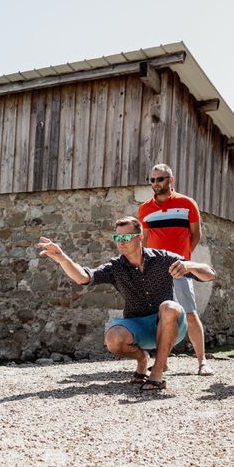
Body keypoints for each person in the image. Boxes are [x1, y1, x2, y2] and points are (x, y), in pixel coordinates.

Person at [37, 216, 216, 391]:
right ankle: (142, 359)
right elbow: (84, 277)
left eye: (125, 237)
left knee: (169, 307)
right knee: (112, 339)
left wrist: (190, 266)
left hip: (170, 325)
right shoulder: (115, 268)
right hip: (139, 328)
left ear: (139, 237)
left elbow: (210, 274)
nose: (120, 242)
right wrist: (63, 259)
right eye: (117, 238)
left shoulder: (163, 259)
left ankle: (157, 375)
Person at [138, 164, 214, 376]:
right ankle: (162, 362)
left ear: (170, 180)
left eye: (160, 179)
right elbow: (145, 240)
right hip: (155, 270)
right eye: (152, 180)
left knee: (190, 313)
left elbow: (195, 235)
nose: (155, 184)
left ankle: (202, 362)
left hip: (181, 268)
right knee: (160, 315)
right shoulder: (144, 209)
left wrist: (183, 259)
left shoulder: (187, 204)